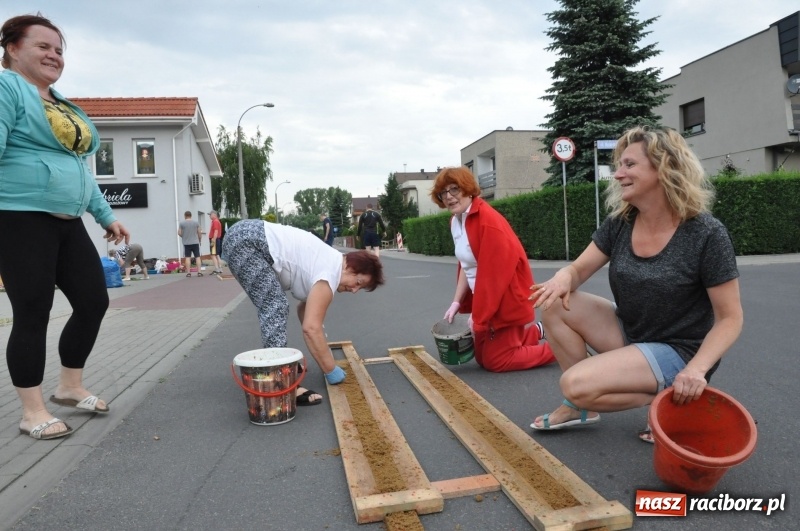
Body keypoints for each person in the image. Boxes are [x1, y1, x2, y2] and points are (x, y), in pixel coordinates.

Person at [529, 126, 743, 440]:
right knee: (556, 304)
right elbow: (578, 270)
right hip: (632, 331)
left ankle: (668, 400)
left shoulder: (706, 233)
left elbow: (730, 318)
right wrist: (563, 277)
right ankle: (581, 407)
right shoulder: (621, 222)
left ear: (663, 167)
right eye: (619, 166)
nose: (618, 174)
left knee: (575, 384)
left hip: (679, 351)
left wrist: (696, 370)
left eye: (629, 165)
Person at [0, 14, 130, 440]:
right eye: (43, 47)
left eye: (59, 49)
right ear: (12, 49)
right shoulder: (6, 88)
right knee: (33, 312)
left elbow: (77, 167)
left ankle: (69, 386)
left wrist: (105, 215)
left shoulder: (59, 103)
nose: (54, 55)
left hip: (68, 222)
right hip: (20, 217)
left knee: (94, 301)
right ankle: (31, 411)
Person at [222, 219, 384, 405]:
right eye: (358, 283)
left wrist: (321, 345)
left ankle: (281, 366)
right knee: (275, 305)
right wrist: (331, 369)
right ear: (350, 267)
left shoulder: (331, 260)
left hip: (245, 235)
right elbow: (311, 328)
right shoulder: (329, 274)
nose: (354, 291)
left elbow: (305, 311)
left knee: (274, 304)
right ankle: (281, 383)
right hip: (248, 242)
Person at [431, 167, 555, 372]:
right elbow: (465, 264)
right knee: (480, 356)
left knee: (497, 360)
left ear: (468, 189)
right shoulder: (456, 220)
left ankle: (564, 347)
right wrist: (456, 301)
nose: (449, 197)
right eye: (443, 193)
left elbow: (494, 278)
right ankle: (536, 332)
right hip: (487, 299)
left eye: (454, 189)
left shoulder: (487, 222)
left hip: (504, 298)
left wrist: (479, 316)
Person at [178, 210, 203, 277]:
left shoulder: (182, 223)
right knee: (197, 257)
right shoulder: (196, 223)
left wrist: (183, 236)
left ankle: (188, 273)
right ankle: (199, 272)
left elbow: (179, 233)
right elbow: (199, 233)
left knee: (188, 258)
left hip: (186, 243)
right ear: (191, 215)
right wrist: (199, 239)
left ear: (185, 216)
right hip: (195, 242)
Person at [208, 210, 223, 275]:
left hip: (214, 239)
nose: (209, 216)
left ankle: (217, 269)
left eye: (210, 214)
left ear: (214, 214)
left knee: (213, 255)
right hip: (217, 239)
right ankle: (220, 268)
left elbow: (216, 231)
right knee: (217, 255)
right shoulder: (217, 221)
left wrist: (213, 240)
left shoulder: (215, 222)